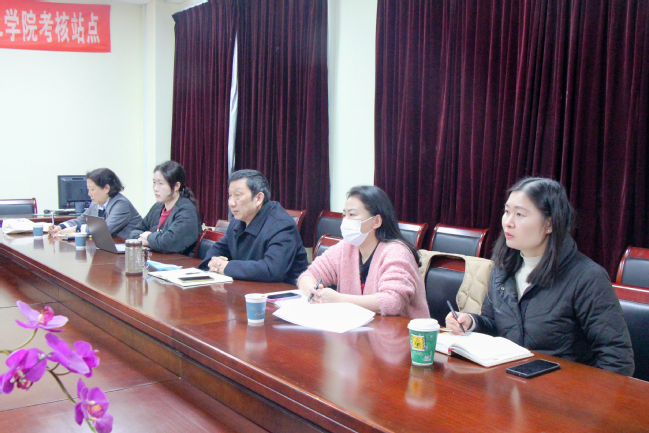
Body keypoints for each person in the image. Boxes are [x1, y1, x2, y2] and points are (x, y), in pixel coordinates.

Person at [446, 177, 634, 376]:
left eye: (520, 214)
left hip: (562, 390)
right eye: (507, 211)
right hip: (509, 383)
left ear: (549, 224)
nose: (508, 222)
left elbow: (618, 359)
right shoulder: (503, 268)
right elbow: (496, 325)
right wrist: (471, 322)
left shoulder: (587, 277)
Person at [297, 185, 430, 319]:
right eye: (344, 215)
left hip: (401, 330)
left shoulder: (397, 252)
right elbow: (309, 275)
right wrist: (312, 290)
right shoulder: (346, 247)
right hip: (359, 327)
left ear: (376, 221)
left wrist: (339, 299)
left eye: (352, 214)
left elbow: (392, 301)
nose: (345, 221)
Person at [198, 169, 309, 283]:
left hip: (283, 291)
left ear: (258, 198)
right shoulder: (238, 221)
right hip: (248, 287)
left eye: (238, 195)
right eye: (230, 195)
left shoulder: (281, 225)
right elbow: (219, 249)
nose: (231, 203)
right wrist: (213, 262)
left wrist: (227, 267)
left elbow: (272, 269)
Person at [130, 161, 201, 256]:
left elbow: (168, 243)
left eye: (160, 183)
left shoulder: (187, 211)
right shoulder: (157, 207)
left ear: (176, 186)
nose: (155, 188)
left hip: (179, 262)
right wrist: (150, 240)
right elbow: (135, 231)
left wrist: (149, 237)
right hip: (156, 259)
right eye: (154, 182)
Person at [49, 168, 141, 238]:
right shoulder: (96, 203)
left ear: (106, 188)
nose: (89, 194)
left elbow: (104, 229)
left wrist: (75, 229)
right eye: (88, 189)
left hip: (128, 249)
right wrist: (61, 227)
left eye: (92, 189)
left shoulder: (121, 204)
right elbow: (82, 219)